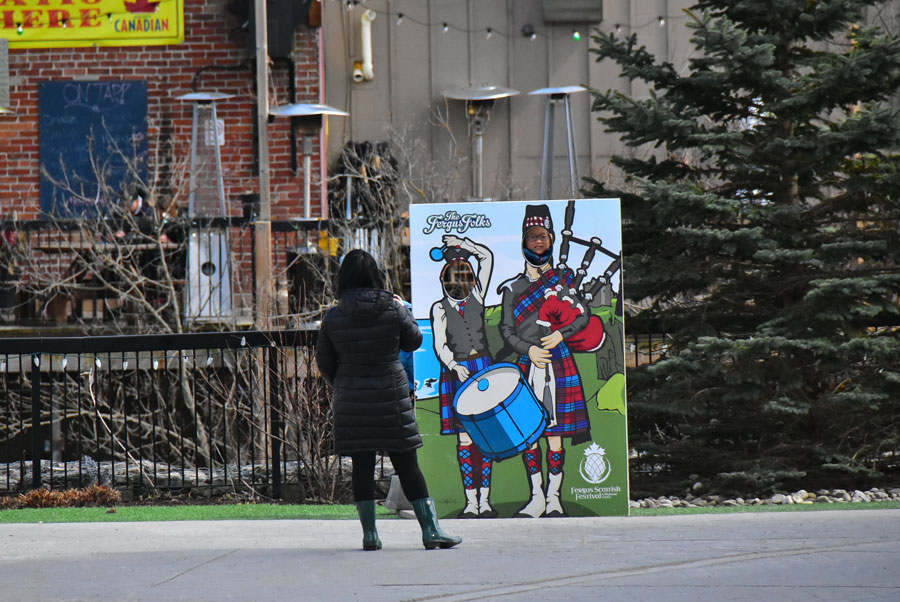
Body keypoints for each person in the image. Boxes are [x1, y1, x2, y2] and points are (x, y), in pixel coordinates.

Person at [316, 249, 462, 551]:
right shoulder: (392, 309)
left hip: (352, 399)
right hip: (392, 396)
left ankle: (370, 535)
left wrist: (342, 384)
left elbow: (324, 362)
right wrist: (403, 310)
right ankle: (430, 530)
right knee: (407, 463)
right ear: (375, 276)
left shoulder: (334, 316)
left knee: (361, 464)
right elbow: (414, 341)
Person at [497, 204, 592, 518]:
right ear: (524, 241)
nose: (538, 242)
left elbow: (583, 315)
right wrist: (528, 350)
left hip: (559, 360)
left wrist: (562, 335)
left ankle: (554, 498)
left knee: (554, 436)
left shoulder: (565, 280)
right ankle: (535, 497)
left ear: (551, 240)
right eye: (532, 236)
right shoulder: (512, 288)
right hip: (530, 363)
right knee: (528, 434)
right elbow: (507, 330)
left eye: (543, 236)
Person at [429, 234, 497, 518]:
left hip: (483, 368)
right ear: (445, 280)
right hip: (457, 372)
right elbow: (439, 344)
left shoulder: (478, 296)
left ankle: (487, 500)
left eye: (464, 277)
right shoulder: (439, 308)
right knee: (466, 440)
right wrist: (454, 366)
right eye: (455, 278)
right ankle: (471, 501)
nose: (460, 283)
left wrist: (463, 242)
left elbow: (487, 257)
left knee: (487, 438)